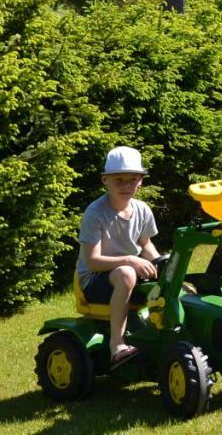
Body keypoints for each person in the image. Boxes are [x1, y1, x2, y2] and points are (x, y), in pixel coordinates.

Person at [77, 146, 161, 366]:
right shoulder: (95, 213)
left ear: (141, 181)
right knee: (126, 273)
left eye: (132, 179)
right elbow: (92, 261)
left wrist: (162, 264)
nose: (126, 186)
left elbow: (147, 246)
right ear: (105, 180)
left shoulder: (142, 210)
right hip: (95, 279)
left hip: (127, 273)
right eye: (119, 180)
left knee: (173, 279)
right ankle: (117, 345)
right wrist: (130, 260)